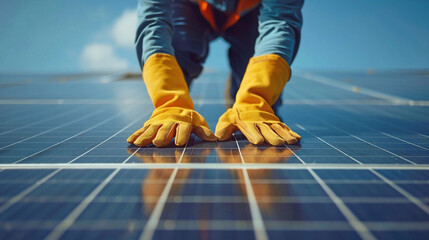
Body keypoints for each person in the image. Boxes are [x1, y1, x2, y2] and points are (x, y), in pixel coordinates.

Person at [127, 0, 303, 147]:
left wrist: (256, 99)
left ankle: (242, 87)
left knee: (258, 99)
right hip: (188, 5)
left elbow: (280, 22)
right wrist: (169, 102)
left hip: (254, 10)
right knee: (178, 47)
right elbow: (154, 21)